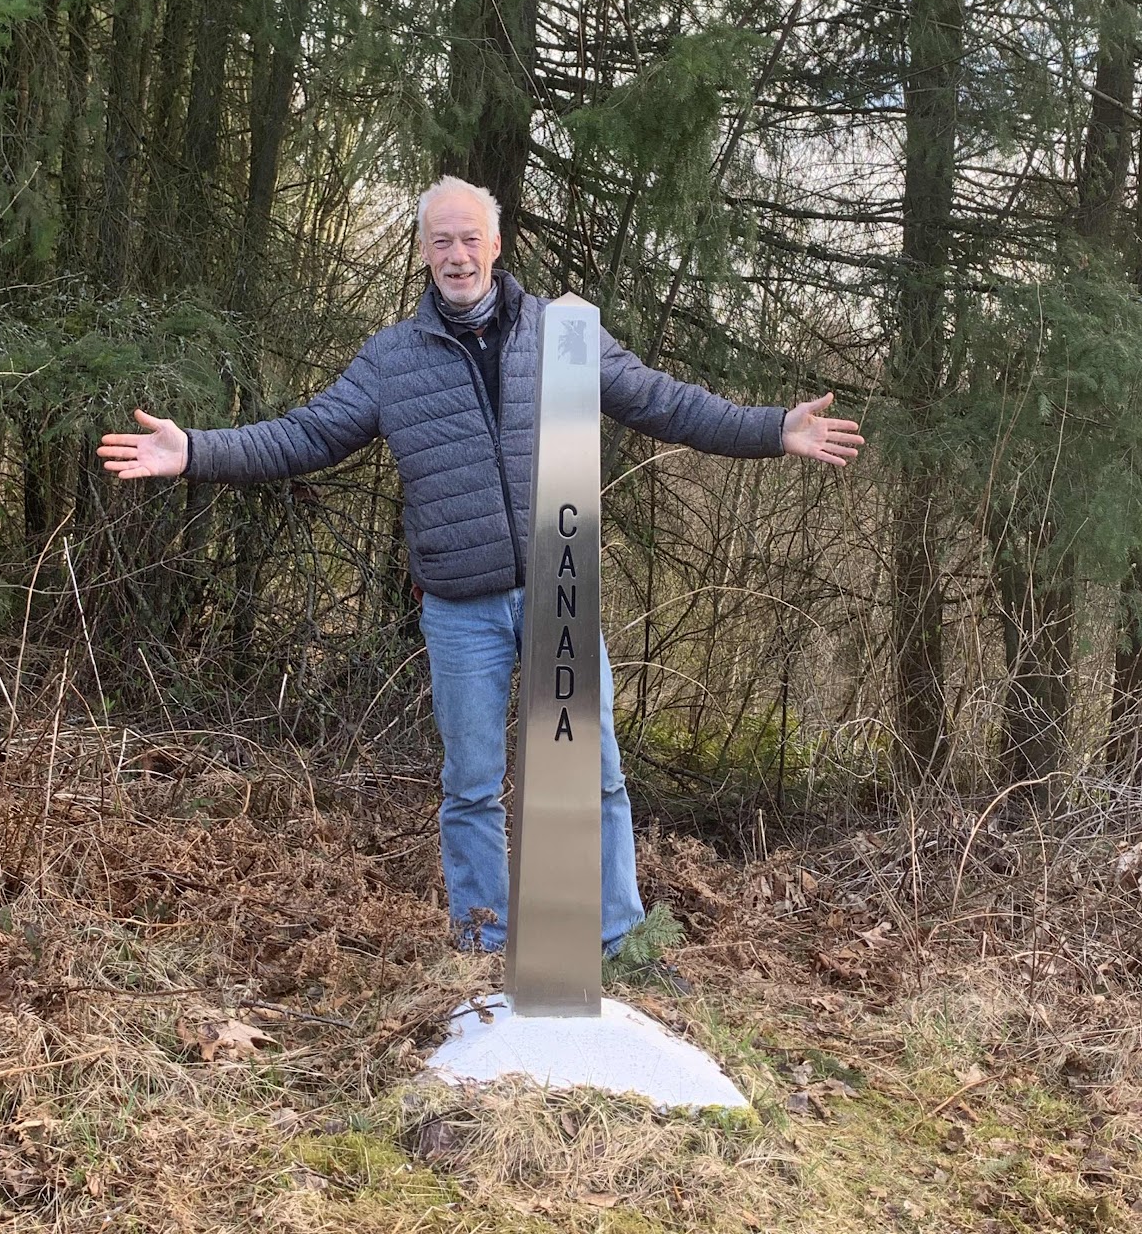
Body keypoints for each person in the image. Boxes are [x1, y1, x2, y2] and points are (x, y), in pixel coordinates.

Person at [98, 176, 863, 953]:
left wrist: (772, 429)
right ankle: (483, 950)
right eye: (442, 241)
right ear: (423, 252)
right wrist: (196, 450)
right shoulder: (392, 360)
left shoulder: (564, 336)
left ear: (496, 245)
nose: (457, 255)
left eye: (470, 238)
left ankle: (616, 946)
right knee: (470, 787)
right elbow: (307, 435)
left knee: (593, 776)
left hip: (560, 593)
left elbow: (664, 402)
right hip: (460, 608)